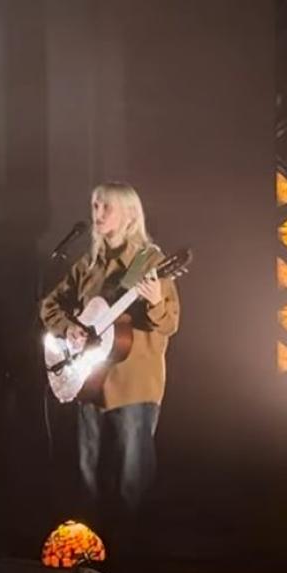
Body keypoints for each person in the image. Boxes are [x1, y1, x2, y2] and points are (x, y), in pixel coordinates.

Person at [40, 181, 180, 547]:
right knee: (87, 475)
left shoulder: (150, 262)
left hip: (134, 385)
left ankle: (134, 558)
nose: (97, 214)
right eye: (95, 206)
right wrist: (69, 328)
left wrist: (152, 301)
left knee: (131, 480)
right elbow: (49, 306)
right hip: (91, 382)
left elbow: (170, 323)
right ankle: (91, 554)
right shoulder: (87, 264)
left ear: (130, 214)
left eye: (106, 208)